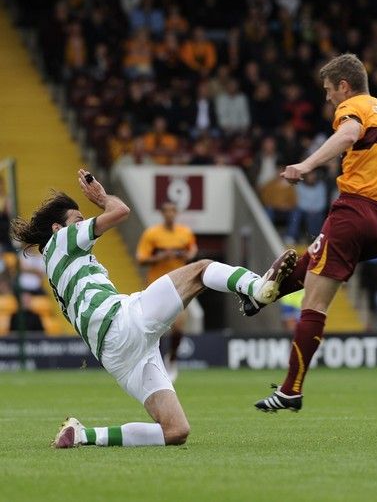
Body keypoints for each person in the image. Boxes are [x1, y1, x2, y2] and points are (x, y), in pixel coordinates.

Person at [10, 169, 296, 448]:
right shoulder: (62, 239)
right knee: (202, 270)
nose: (84, 224)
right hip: (122, 321)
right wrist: (102, 197)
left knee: (175, 430)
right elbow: (121, 211)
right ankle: (256, 289)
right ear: (57, 228)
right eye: (77, 220)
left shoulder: (56, 266)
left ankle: (83, 434)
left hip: (116, 357)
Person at [242, 53, 377, 412]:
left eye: (328, 90)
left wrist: (306, 165)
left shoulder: (355, 107)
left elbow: (350, 133)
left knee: (314, 303)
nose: (327, 98)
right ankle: (263, 294)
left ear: (344, 85)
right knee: (315, 260)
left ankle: (291, 389)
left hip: (355, 210)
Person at [136, 201, 199, 382]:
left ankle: (172, 359)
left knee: (178, 327)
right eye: (167, 211)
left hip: (179, 287)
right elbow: (141, 258)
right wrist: (160, 257)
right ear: (162, 213)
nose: (170, 214)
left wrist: (187, 255)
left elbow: (192, 249)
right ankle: (154, 363)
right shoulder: (152, 234)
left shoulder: (184, 232)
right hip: (156, 287)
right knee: (156, 328)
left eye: (173, 211)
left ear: (176, 213)